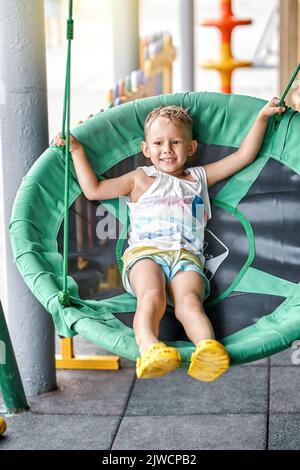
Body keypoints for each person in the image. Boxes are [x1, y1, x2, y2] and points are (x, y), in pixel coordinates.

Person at [54, 97, 285, 381]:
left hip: (186, 257)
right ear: (146, 149)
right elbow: (94, 190)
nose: (167, 150)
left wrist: (262, 117)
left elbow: (243, 157)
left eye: (175, 142)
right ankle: (150, 348)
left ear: (191, 148)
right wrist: (76, 150)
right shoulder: (140, 179)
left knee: (189, 301)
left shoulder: (198, 178)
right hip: (145, 254)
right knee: (152, 297)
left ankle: (207, 349)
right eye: (159, 143)